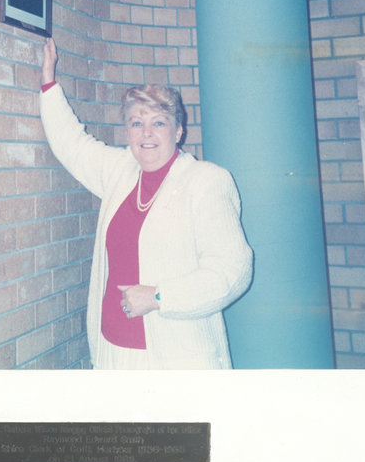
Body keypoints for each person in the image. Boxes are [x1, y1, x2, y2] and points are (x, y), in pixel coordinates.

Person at [38, 37, 253, 369]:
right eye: (137, 123)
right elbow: (73, 145)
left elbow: (232, 271)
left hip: (175, 360)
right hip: (112, 351)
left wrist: (158, 297)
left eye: (159, 123)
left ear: (178, 131)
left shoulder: (207, 182)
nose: (147, 133)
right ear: (127, 132)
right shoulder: (121, 171)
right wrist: (49, 82)